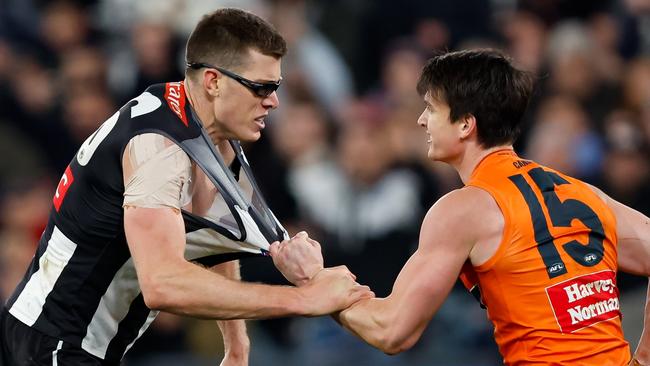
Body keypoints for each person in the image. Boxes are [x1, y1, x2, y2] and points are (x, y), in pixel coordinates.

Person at [0, 8, 371, 366]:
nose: (273, 101)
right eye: (261, 87)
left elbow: (210, 234)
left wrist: (237, 342)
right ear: (213, 81)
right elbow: (163, 283)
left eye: (275, 87)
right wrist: (302, 300)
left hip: (70, 344)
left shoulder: (189, 117)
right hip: (52, 345)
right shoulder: (159, 151)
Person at [271, 49, 650, 365]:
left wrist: (314, 280)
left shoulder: (464, 209)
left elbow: (392, 331)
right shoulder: (584, 193)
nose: (421, 120)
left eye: (431, 109)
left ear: (466, 124)